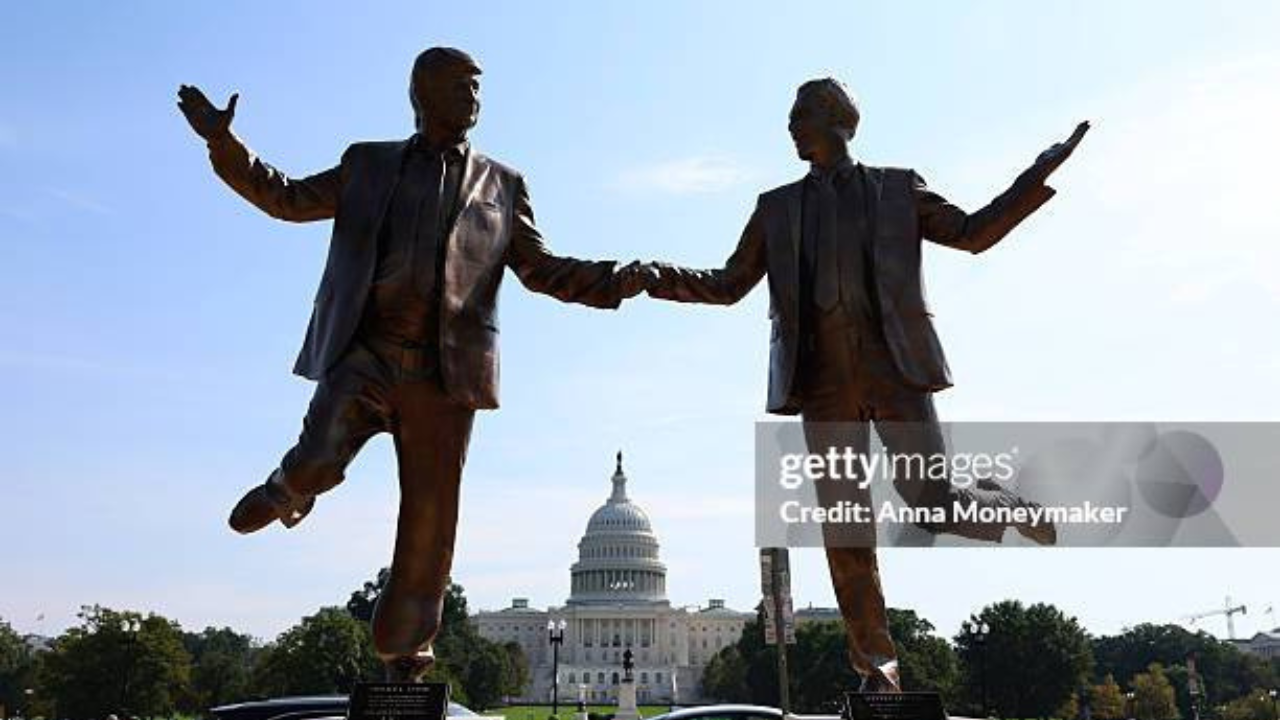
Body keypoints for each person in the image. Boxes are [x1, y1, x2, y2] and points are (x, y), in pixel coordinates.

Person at [177, 46, 651, 681]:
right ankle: (290, 489)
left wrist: (616, 281)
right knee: (321, 453)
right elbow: (284, 197)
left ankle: (406, 648)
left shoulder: (503, 185)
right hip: (367, 352)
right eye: (462, 86)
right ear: (422, 94)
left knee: (429, 518)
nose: (474, 98)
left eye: (478, 88)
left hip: (445, 373)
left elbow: (541, 269)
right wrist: (225, 144)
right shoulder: (367, 164)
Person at [642, 78, 1089, 690]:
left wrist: (1032, 178)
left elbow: (973, 233)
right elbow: (727, 285)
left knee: (932, 506)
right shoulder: (776, 208)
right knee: (846, 530)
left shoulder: (897, 189)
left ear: (839, 121)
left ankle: (1005, 505)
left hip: (896, 370)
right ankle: (880, 670)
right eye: (791, 119)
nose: (791, 129)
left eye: (801, 117)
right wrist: (655, 277)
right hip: (822, 385)